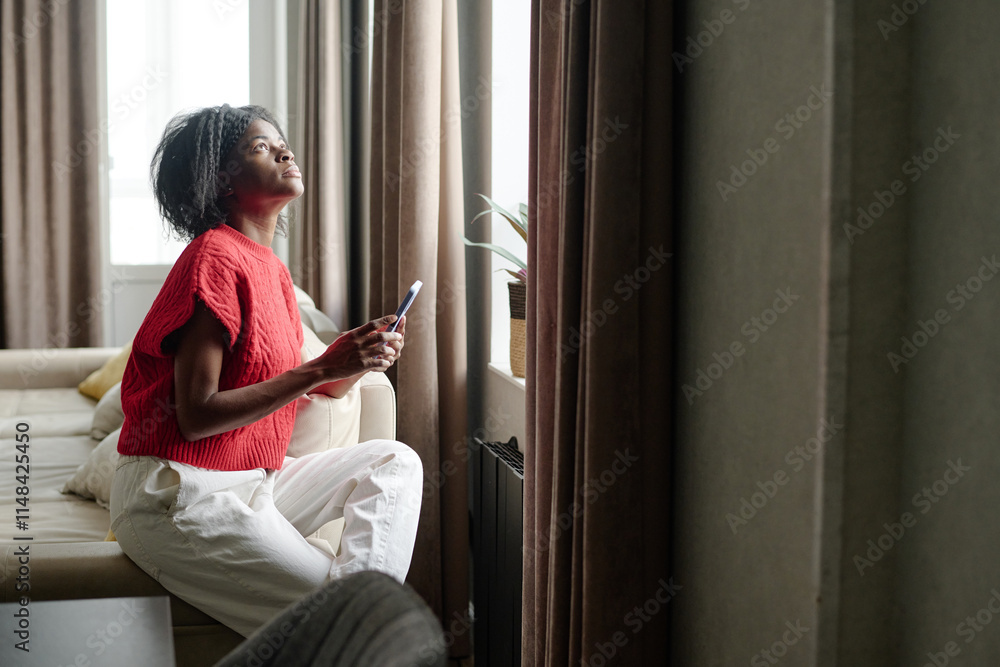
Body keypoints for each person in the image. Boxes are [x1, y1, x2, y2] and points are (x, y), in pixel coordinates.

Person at [109, 104, 423, 637]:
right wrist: (320, 367)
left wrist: (348, 364)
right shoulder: (213, 258)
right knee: (349, 622)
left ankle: (359, 617)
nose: (284, 150)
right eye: (259, 147)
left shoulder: (272, 271)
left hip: (254, 480)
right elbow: (197, 417)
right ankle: (359, 624)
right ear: (222, 181)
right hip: (179, 494)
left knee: (394, 461)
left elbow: (288, 390)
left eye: (280, 142)